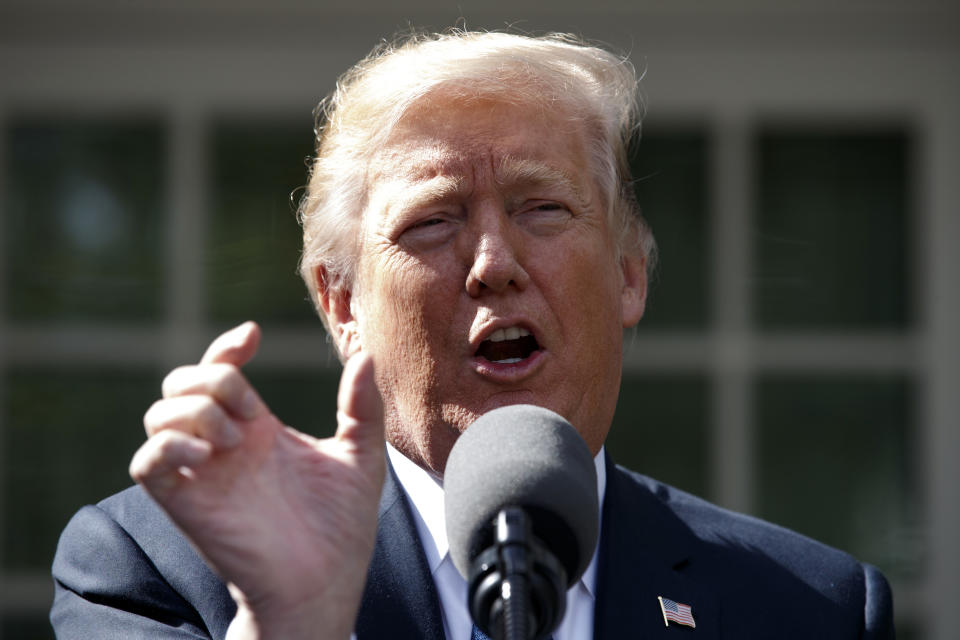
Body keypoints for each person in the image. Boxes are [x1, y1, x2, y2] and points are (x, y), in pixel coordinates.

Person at [50, 30, 894, 639]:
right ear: (341, 303)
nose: (494, 262)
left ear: (630, 275)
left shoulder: (813, 609)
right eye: (431, 221)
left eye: (543, 208)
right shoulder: (155, 568)